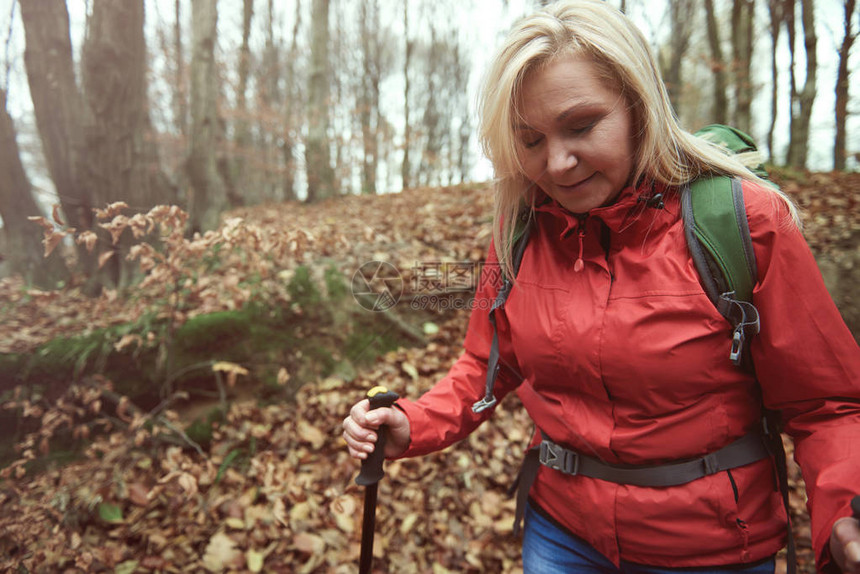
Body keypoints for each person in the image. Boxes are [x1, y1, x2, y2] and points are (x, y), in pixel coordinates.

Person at [341, 1, 860, 572]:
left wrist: (842, 510)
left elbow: (828, 403)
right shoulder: (519, 229)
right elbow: (486, 360)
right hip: (560, 535)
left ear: (640, 106)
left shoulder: (744, 222)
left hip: (710, 549)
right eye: (530, 140)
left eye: (581, 126)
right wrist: (414, 422)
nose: (557, 163)